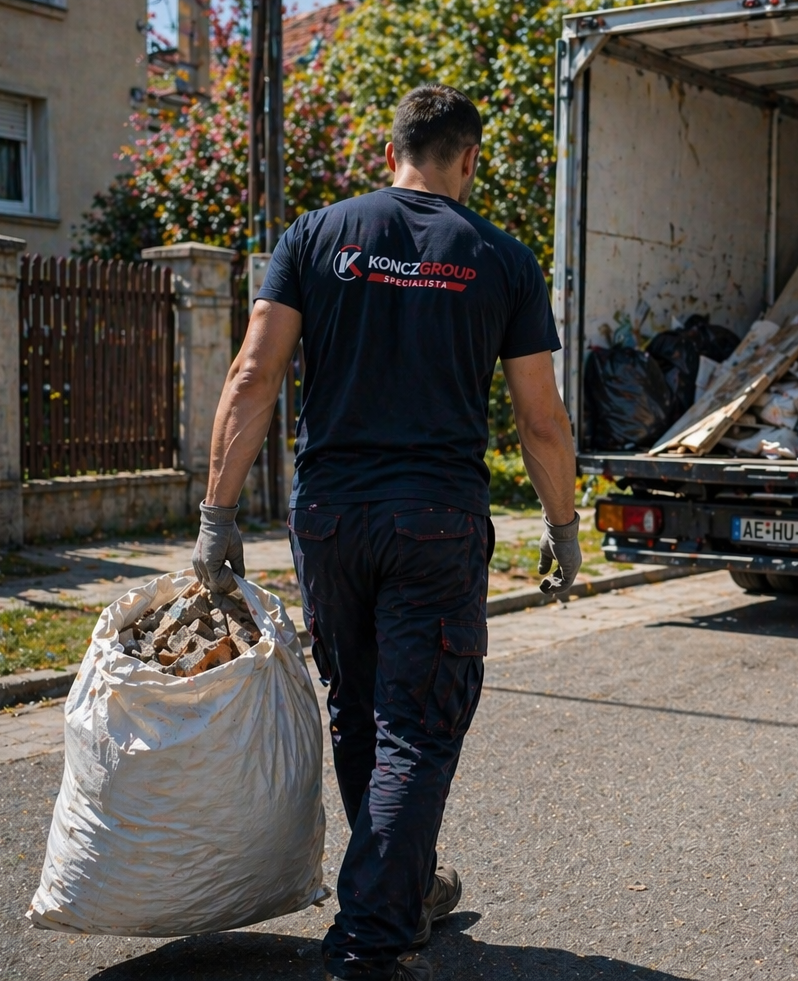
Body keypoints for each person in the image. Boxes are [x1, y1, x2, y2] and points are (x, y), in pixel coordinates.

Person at [191, 83, 580, 981]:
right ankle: (371, 946)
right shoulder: (501, 260)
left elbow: (254, 375)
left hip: (330, 519)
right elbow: (541, 422)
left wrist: (218, 516)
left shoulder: (317, 236)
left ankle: (398, 889)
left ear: (390, 152)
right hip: (435, 523)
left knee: (361, 713)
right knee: (415, 726)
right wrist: (564, 528)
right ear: (469, 161)